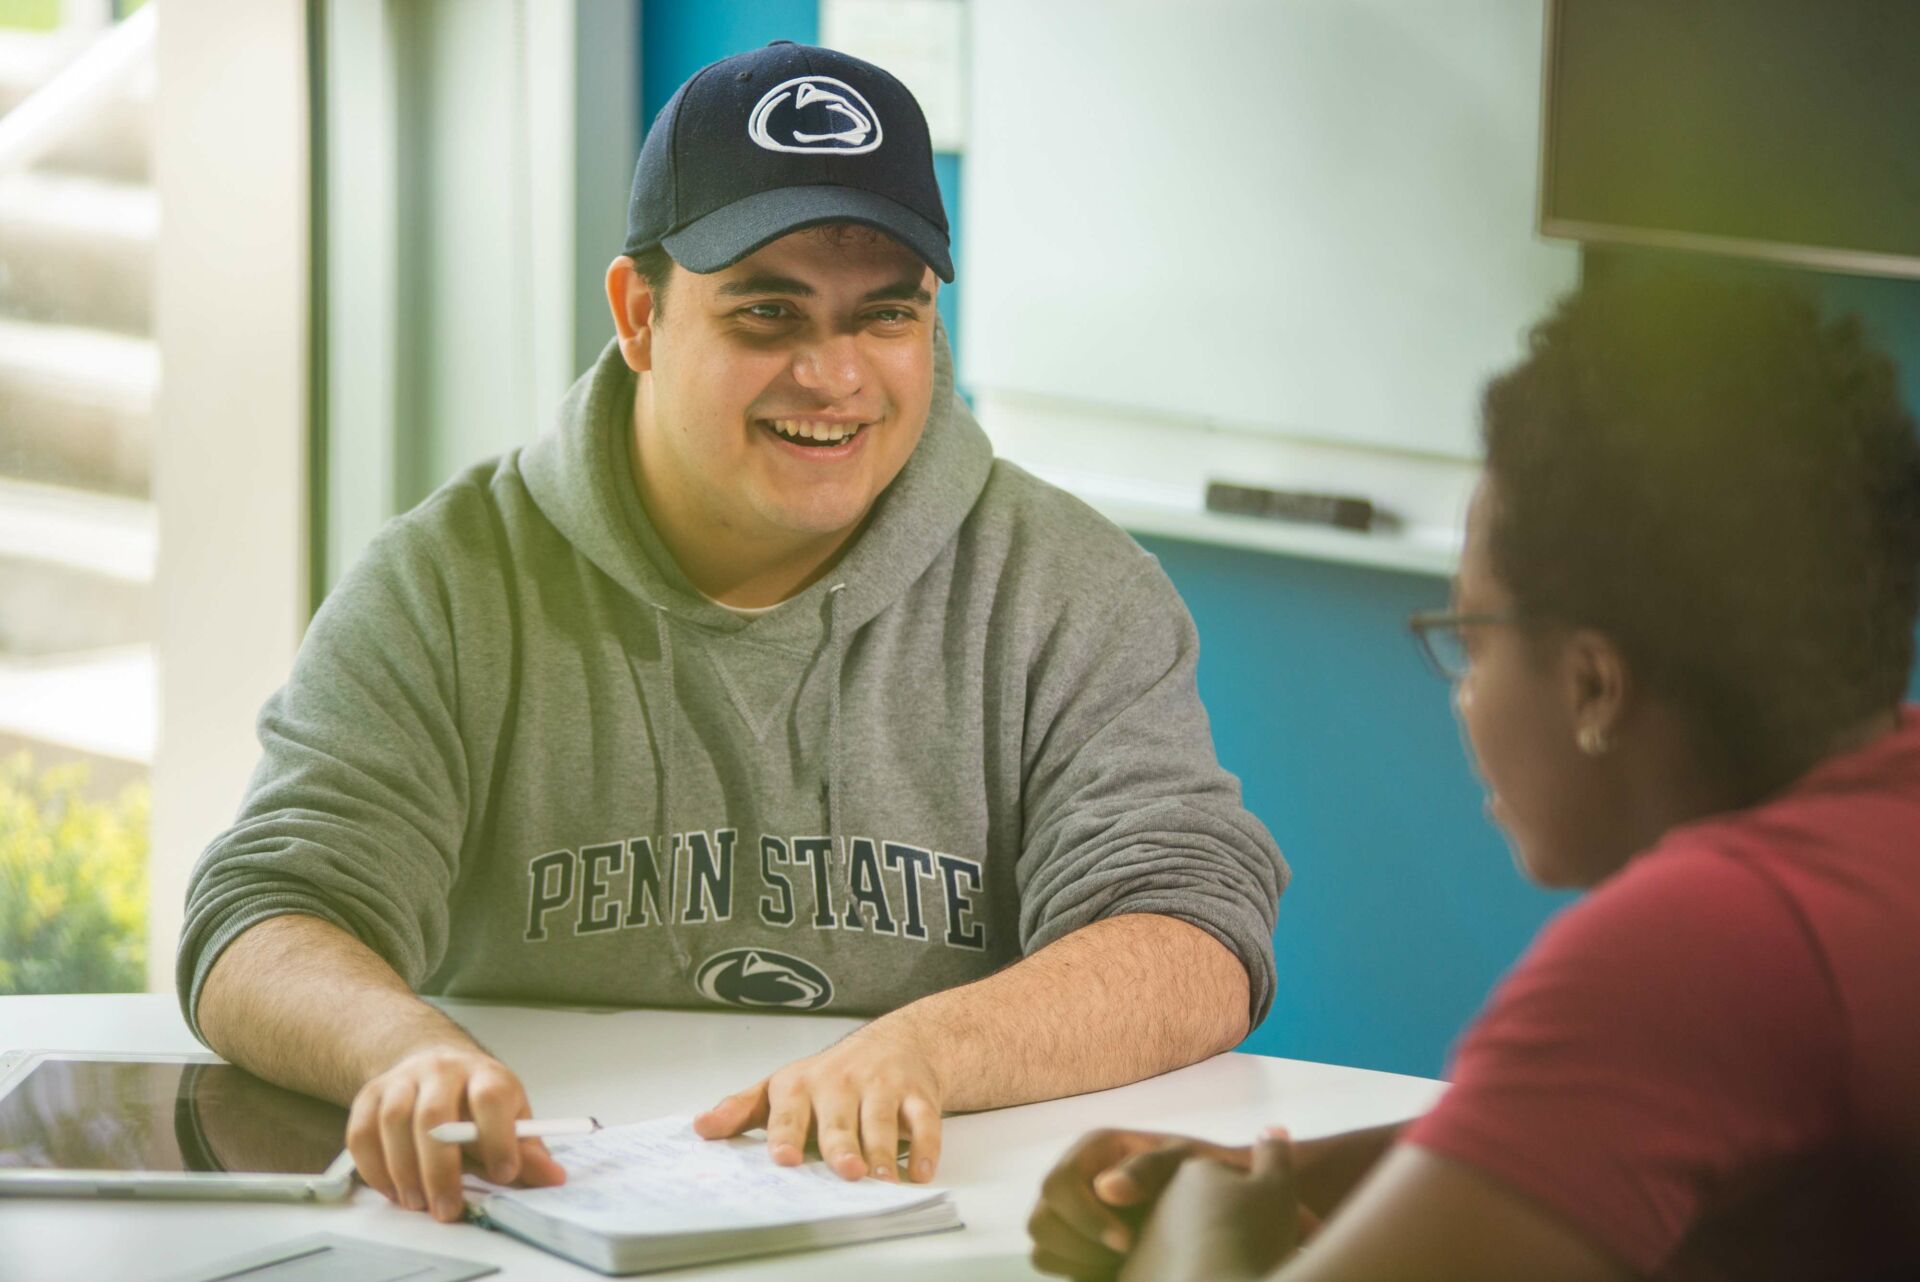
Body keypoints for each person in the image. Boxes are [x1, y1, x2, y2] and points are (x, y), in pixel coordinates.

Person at [176, 42, 1286, 1226]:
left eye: (887, 316)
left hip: (930, 1223)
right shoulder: (444, 581)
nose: (833, 375)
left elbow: (1191, 929)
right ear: (641, 314)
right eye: (768, 311)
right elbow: (262, 910)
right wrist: (399, 1050)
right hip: (524, 1226)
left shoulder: (1073, 589)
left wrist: (925, 1051)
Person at [1027, 269, 1920, 1281]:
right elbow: (1605, 1124)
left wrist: (1195, 1249)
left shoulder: (1698, 947)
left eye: (1470, 634)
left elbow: (1655, 1043)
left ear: (1593, 685)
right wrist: (1285, 1173)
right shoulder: (1877, 839)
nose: (1464, 690)